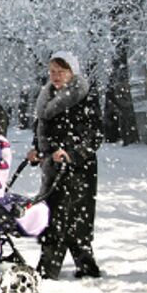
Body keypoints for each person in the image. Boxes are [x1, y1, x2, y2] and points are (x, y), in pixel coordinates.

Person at [27, 51, 103, 280]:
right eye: (52, 71)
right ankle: (80, 268)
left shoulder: (85, 97)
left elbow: (95, 135)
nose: (56, 76)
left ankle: (52, 271)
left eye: (61, 71)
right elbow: (41, 131)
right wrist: (37, 152)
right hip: (52, 169)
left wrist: (72, 153)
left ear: (72, 72)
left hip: (78, 171)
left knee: (70, 219)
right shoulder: (46, 98)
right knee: (54, 216)